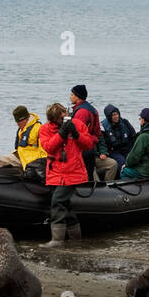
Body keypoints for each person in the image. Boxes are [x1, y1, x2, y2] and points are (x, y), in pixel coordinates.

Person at [38, 102, 93, 246]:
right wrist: (61, 134)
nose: (65, 119)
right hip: (55, 173)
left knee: (57, 202)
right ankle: (76, 239)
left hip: (73, 172)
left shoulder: (78, 125)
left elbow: (88, 144)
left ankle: (57, 240)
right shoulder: (45, 129)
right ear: (53, 119)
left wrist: (76, 134)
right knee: (66, 206)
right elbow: (49, 147)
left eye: (66, 115)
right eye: (62, 118)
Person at [0, 106, 45, 174]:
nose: (17, 124)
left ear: (26, 119)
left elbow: (44, 149)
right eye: (16, 122)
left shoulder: (38, 128)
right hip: (20, 156)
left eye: (19, 122)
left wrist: (42, 165)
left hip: (30, 160)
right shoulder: (22, 129)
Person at [120, 108, 149, 180]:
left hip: (148, 170)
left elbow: (133, 158)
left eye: (140, 118)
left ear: (143, 120)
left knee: (124, 171)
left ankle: (128, 190)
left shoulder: (143, 136)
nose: (140, 120)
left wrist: (126, 164)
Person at [69, 84, 102, 182]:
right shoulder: (92, 109)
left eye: (72, 94)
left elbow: (76, 133)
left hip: (83, 149)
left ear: (77, 96)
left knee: (84, 175)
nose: (70, 97)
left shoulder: (81, 112)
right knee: (89, 174)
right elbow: (97, 132)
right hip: (90, 146)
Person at [101, 104, 136, 169]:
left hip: (127, 148)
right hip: (114, 151)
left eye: (117, 114)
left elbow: (133, 136)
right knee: (122, 162)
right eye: (113, 115)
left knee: (133, 160)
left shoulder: (125, 123)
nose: (116, 116)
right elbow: (103, 143)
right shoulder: (104, 127)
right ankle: (123, 177)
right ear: (109, 116)